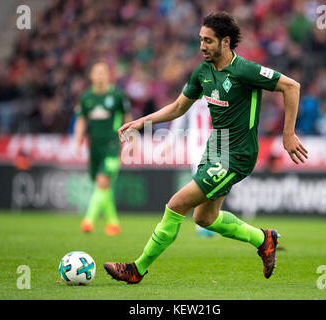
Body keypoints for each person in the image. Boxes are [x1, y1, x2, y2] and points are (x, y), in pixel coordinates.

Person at [104, 12, 308, 283]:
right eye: (201, 39)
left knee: (176, 204)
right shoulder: (203, 71)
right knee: (204, 217)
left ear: (225, 42)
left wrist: (288, 133)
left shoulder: (245, 70)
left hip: (236, 154)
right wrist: (142, 122)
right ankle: (264, 239)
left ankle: (136, 269)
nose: (202, 46)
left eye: (208, 41)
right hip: (215, 149)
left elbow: (291, 86)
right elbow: (178, 107)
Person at [75, 61, 132, 235]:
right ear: (91, 76)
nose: (100, 76)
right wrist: (78, 142)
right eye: (97, 72)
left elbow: (128, 117)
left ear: (108, 75)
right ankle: (113, 222)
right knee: (102, 186)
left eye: (103, 72)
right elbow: (82, 120)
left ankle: (88, 221)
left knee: (102, 181)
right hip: (94, 147)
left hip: (112, 145)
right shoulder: (86, 98)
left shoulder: (117, 96)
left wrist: (132, 141)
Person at [170, 95, 216, 238]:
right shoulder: (193, 86)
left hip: (215, 141)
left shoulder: (217, 83)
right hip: (196, 144)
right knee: (202, 182)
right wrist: (172, 138)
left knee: (213, 182)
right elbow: (180, 111)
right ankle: (201, 225)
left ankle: (208, 221)